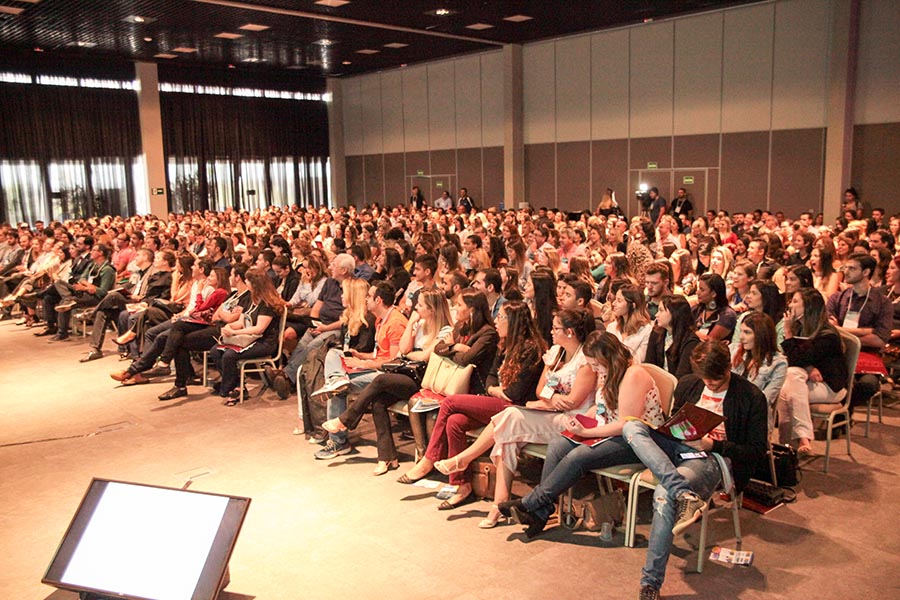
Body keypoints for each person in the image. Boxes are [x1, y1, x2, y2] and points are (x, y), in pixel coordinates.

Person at [622, 341, 767, 600]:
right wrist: (673, 429)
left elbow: (756, 451)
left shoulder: (751, 397)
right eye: (705, 379)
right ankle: (684, 493)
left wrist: (714, 444)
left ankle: (650, 584)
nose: (710, 384)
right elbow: (673, 419)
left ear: (730, 367)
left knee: (664, 495)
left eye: (716, 379)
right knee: (631, 427)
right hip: (679, 447)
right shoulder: (690, 383)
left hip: (711, 458)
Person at [433, 309, 597, 526]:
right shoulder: (556, 353)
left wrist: (551, 399)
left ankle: (463, 459)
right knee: (506, 439)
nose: (551, 331)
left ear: (570, 332)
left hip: (574, 420)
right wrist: (551, 398)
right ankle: (498, 506)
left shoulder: (585, 360)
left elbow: (573, 401)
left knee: (508, 415)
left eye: (556, 328)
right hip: (548, 412)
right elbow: (541, 390)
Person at [498, 331, 666, 538]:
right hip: (607, 430)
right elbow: (602, 406)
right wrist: (582, 419)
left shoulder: (633, 375)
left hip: (638, 440)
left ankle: (531, 503)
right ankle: (541, 512)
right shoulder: (609, 371)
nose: (595, 370)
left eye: (596, 364)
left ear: (607, 357)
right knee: (558, 444)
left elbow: (626, 424)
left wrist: (587, 431)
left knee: (578, 456)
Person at [396, 301, 545, 520]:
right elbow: (492, 377)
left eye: (501, 317)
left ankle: (429, 458)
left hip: (516, 410)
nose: (496, 320)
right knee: (455, 421)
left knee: (450, 403)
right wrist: (496, 389)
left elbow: (515, 393)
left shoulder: (531, 349)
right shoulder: (505, 344)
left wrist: (497, 390)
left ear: (513, 322)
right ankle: (461, 485)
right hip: (497, 400)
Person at [315, 288, 450, 463]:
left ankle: (344, 420)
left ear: (432, 309)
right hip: (404, 373)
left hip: (423, 381)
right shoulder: (420, 325)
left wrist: (409, 354)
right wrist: (411, 325)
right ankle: (387, 458)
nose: (416, 307)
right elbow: (404, 349)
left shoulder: (445, 330)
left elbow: (422, 357)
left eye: (421, 305)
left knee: (379, 380)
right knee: (377, 401)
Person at [780, 288, 848, 453]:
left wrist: (788, 332)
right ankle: (800, 441)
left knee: (784, 392)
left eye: (795, 301)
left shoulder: (827, 335)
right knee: (791, 378)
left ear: (808, 308)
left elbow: (796, 358)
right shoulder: (801, 329)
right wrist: (809, 367)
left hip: (830, 387)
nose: (790, 305)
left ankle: (785, 448)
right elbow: (790, 360)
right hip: (805, 382)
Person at [206, 269, 288, 404]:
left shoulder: (268, 304)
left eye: (248, 280)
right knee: (215, 351)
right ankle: (237, 386)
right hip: (247, 338)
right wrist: (229, 328)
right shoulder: (250, 300)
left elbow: (259, 328)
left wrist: (234, 333)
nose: (246, 283)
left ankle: (229, 389)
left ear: (255, 284)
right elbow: (241, 322)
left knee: (229, 355)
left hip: (263, 342)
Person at [826, 252, 891, 418]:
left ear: (866, 272)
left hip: (868, 357)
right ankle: (842, 417)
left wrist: (842, 331)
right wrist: (865, 331)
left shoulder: (882, 302)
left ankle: (843, 413)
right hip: (839, 353)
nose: (846, 272)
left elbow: (879, 339)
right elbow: (829, 330)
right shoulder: (838, 298)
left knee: (868, 385)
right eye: (845, 267)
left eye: (852, 268)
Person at [731, 312, 787, 432]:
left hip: (754, 419)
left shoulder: (778, 363)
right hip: (726, 411)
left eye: (747, 332)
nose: (741, 337)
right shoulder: (733, 350)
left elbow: (764, 400)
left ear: (761, 335)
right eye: (741, 331)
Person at [645, 295, 700, 379]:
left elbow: (682, 376)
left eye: (661, 310)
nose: (656, 314)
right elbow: (649, 365)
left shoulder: (691, 342)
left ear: (675, 314)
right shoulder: (656, 333)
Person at [606, 284, 653, 362]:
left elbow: (638, 361)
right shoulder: (611, 327)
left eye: (619, 300)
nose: (614, 304)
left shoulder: (646, 331)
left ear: (632, 305)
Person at [523, 268, 558, 347]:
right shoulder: (528, 307)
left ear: (538, 288)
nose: (525, 287)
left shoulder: (552, 315)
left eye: (529, 285)